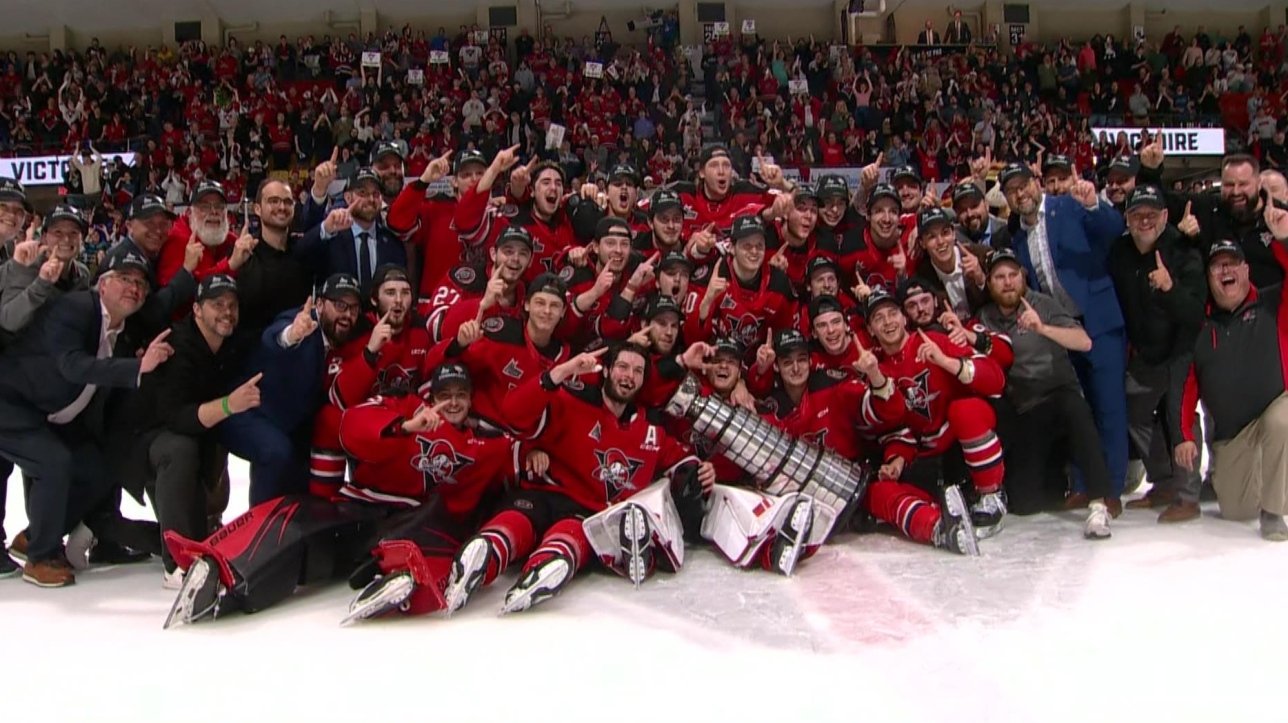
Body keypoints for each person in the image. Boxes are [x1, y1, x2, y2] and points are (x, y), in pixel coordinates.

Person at [162, 364, 521, 628]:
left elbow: (514, 462)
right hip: (359, 508)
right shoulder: (402, 406)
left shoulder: (487, 443)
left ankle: (408, 575)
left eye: (461, 395)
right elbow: (353, 425)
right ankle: (224, 564)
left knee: (436, 517)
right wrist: (404, 427)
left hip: (407, 524)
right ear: (430, 396)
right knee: (295, 514)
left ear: (472, 399)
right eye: (445, 396)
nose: (453, 403)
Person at [443, 344, 707, 615]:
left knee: (568, 538)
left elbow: (681, 461)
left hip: (584, 515)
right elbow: (512, 412)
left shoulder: (651, 428)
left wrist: (699, 469)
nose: (629, 376)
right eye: (623, 367)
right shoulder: (571, 401)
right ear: (606, 370)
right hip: (542, 495)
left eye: (638, 371)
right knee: (515, 523)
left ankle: (547, 566)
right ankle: (484, 551)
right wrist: (559, 373)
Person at [0, 248, 175, 586]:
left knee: (100, 467)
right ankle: (41, 557)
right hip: (10, 403)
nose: (134, 288)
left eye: (140, 283)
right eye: (125, 279)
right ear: (103, 284)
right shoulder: (76, 308)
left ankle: (35, 535)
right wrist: (138, 366)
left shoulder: (119, 328)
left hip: (43, 411)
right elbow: (72, 365)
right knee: (55, 462)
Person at [1000, 162, 1130, 504]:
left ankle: (1112, 488)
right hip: (1062, 331)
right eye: (1012, 190)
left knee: (1109, 408)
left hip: (1099, 323)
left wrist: (1092, 204)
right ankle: (1083, 485)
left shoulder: (1068, 205)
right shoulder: (1018, 237)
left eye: (1024, 184)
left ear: (1036, 183)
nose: (1020, 193)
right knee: (1079, 411)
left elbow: (1114, 229)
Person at [120, 274, 255, 587]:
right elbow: (175, 418)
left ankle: (117, 528)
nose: (226, 311)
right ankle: (175, 565)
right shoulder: (177, 348)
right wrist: (228, 405)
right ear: (196, 309)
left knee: (197, 533)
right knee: (180, 448)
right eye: (217, 304)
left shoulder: (228, 343)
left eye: (232, 305)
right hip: (143, 443)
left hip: (185, 443)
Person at [978, 249, 1113, 538]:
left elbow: (1084, 341)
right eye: (999, 277)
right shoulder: (985, 317)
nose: (1008, 282)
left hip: (1058, 398)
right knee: (1026, 504)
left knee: (1075, 408)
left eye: (1013, 275)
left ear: (1023, 277)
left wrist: (1043, 328)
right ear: (989, 283)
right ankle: (1054, 475)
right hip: (1026, 410)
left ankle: (1099, 503)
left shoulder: (1043, 304)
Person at [1170, 227, 1288, 541]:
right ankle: (1272, 481)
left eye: (1233, 263)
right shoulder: (1200, 326)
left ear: (1246, 270)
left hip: (1276, 407)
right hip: (1233, 434)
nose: (1226, 270)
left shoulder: (1272, 303)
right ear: (1209, 277)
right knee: (1237, 510)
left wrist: (1284, 240)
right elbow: (1186, 388)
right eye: (1218, 266)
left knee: (1281, 422)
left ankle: (1275, 512)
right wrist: (1183, 435)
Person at [220, 273, 365, 505]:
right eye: (340, 305)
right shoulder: (303, 325)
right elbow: (274, 338)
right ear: (319, 304)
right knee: (277, 452)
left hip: (289, 423)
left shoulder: (342, 339)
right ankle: (260, 528)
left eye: (353, 308)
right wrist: (292, 335)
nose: (347, 314)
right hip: (246, 412)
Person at [1107, 186, 1206, 521]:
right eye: (1137, 214)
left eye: (1152, 214)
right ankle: (1164, 483)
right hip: (1145, 353)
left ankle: (1189, 497)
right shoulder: (1119, 252)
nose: (1144, 220)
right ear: (1127, 219)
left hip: (1182, 350)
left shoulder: (1183, 249)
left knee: (1181, 420)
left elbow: (1195, 314)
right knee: (1135, 411)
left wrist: (1169, 289)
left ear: (1165, 217)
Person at [297, 168, 408, 289]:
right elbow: (300, 254)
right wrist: (325, 228)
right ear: (348, 198)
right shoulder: (332, 237)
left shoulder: (392, 243)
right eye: (362, 193)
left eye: (376, 194)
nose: (371, 199)